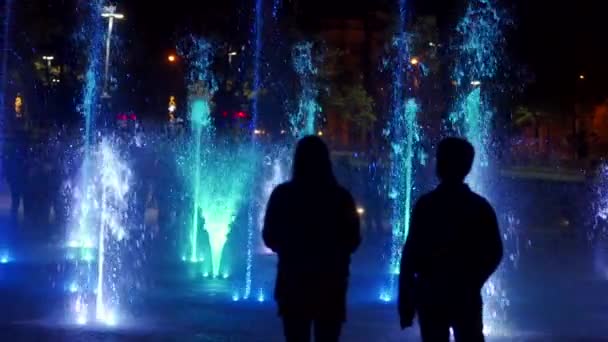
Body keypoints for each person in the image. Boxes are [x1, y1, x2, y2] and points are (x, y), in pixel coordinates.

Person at [398, 137, 503, 342]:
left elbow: (410, 256)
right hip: (465, 295)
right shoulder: (479, 207)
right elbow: (495, 252)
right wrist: (474, 280)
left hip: (431, 292)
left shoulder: (427, 205)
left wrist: (406, 301)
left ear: (440, 165)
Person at [263, 136, 361, 342]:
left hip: (293, 283)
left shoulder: (283, 195)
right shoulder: (340, 197)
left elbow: (269, 236)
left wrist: (290, 248)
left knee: (296, 335)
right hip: (331, 284)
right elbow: (353, 239)